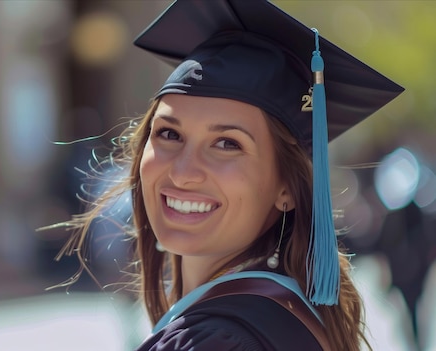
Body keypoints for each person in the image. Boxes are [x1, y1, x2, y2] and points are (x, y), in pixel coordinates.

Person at [49, 1, 404, 350]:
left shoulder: (218, 339)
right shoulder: (287, 318)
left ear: (288, 188)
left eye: (226, 143)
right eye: (169, 134)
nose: (184, 172)